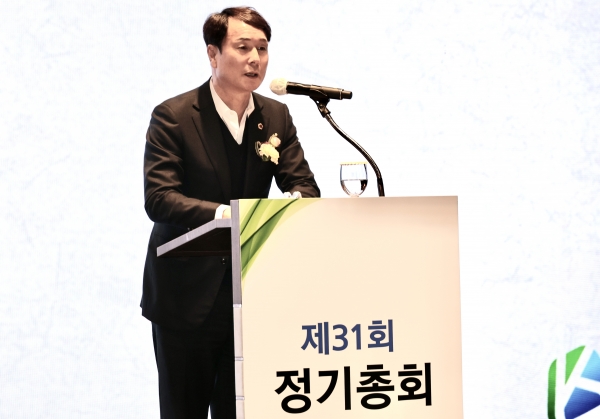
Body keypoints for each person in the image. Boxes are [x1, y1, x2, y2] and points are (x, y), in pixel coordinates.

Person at [141, 6, 320, 419]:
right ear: (213, 54)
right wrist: (226, 215)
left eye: (262, 48)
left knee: (241, 411)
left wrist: (291, 204)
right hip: (186, 297)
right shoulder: (174, 116)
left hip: (251, 295)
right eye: (243, 47)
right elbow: (160, 198)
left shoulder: (275, 116)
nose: (255, 59)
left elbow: (305, 188)